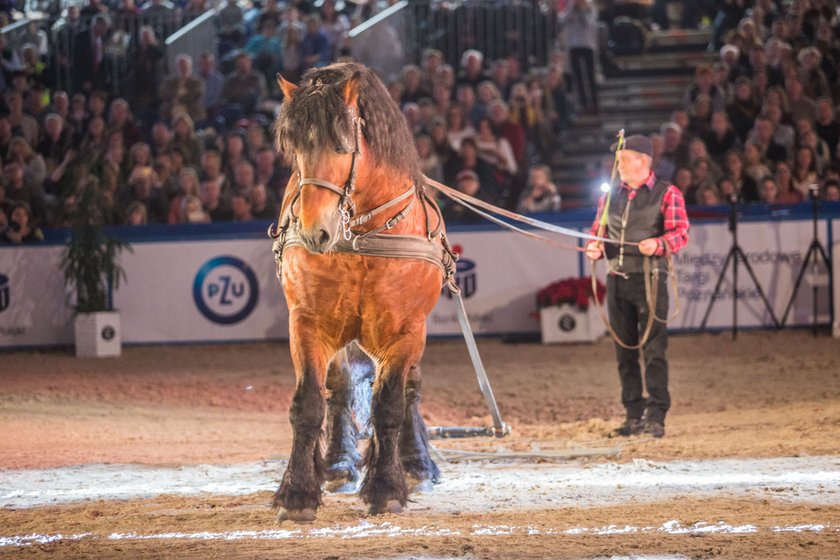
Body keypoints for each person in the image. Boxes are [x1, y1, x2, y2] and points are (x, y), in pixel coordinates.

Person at [585, 135, 690, 439]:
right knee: (624, 352)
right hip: (617, 278)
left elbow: (681, 233)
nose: (618, 165)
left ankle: (656, 415)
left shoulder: (667, 193)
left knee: (654, 350)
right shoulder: (609, 197)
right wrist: (595, 247)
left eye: (624, 159)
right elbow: (599, 232)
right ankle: (633, 414)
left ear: (643, 161)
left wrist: (658, 243)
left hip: (650, 279)